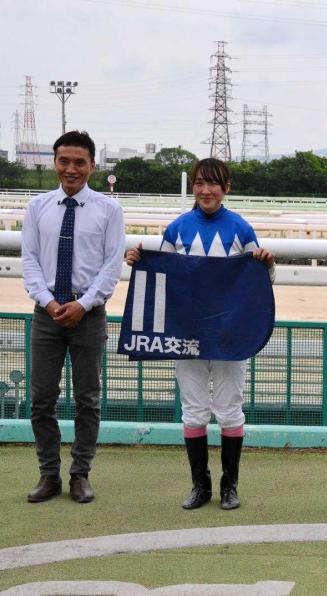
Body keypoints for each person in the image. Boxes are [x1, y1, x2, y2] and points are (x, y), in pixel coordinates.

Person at [125, 158, 275, 510]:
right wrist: (137, 258)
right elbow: (161, 275)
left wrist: (267, 263)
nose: (206, 190)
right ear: (193, 187)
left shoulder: (240, 228)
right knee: (193, 411)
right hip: (187, 333)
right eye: (200, 184)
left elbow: (259, 281)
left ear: (227, 188)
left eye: (214, 184)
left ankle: (229, 486)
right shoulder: (177, 228)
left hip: (229, 335)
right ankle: (200, 486)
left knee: (229, 409)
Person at [21, 130, 125, 503]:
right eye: (64, 161)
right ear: (55, 163)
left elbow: (112, 266)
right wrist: (50, 302)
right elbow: (30, 262)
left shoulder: (109, 210)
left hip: (89, 314)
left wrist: (83, 304)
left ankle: (80, 474)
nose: (71, 169)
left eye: (79, 162)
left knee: (87, 399)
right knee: (42, 399)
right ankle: (48, 474)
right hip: (46, 314)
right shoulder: (37, 208)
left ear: (93, 166)